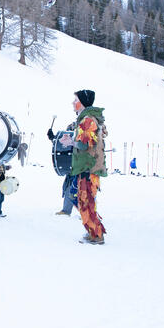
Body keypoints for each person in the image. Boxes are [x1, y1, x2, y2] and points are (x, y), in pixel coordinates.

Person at [60, 89, 107, 244]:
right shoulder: (86, 118)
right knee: (78, 196)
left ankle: (96, 235)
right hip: (84, 166)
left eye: (76, 100)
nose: (73, 103)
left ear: (83, 102)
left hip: (88, 167)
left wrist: (71, 142)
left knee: (85, 200)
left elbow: (85, 143)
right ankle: (93, 230)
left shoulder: (87, 119)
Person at [52, 121, 78, 216]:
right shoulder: (72, 127)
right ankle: (66, 210)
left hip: (84, 165)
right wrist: (53, 138)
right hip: (73, 167)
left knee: (85, 190)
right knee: (69, 187)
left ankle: (88, 214)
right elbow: (62, 144)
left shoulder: (87, 129)